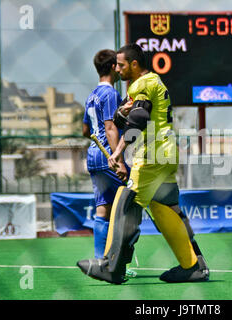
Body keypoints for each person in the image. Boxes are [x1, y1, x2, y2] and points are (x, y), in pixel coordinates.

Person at [77, 43, 209, 284]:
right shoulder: (155, 82)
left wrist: (118, 150)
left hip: (151, 156)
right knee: (166, 208)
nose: (117, 69)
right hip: (167, 153)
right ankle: (194, 265)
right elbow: (130, 113)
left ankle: (111, 266)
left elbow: (139, 117)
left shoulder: (141, 84)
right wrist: (121, 112)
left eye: (121, 65)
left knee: (124, 202)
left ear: (134, 64)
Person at [80, 49, 136, 277]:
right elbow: (110, 127)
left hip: (93, 155)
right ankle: (117, 262)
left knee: (103, 208)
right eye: (119, 65)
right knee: (133, 203)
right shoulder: (110, 94)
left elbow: (86, 130)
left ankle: (101, 261)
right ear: (114, 67)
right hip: (107, 156)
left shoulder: (91, 95)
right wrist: (119, 159)